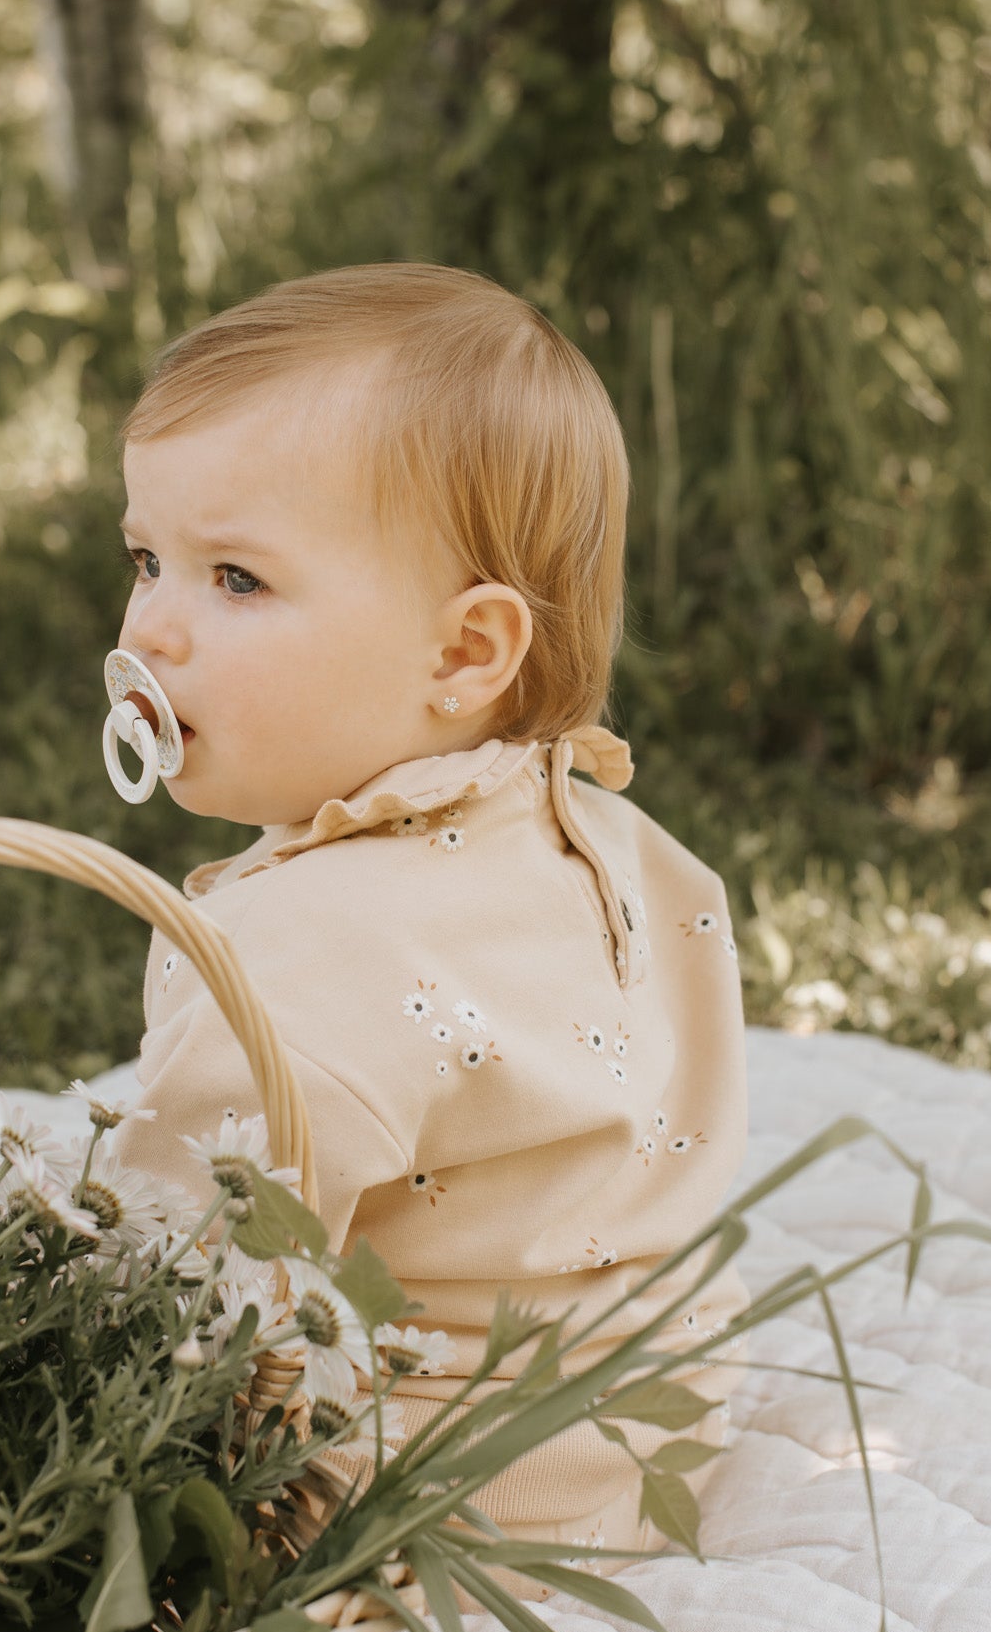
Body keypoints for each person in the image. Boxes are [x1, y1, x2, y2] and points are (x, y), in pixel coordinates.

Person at [112, 262, 750, 1559]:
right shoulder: (629, 848)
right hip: (629, 1441)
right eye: (145, 561)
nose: (153, 630)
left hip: (413, 1494)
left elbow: (161, 1292)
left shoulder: (296, 959)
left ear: (463, 653)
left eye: (234, 578)